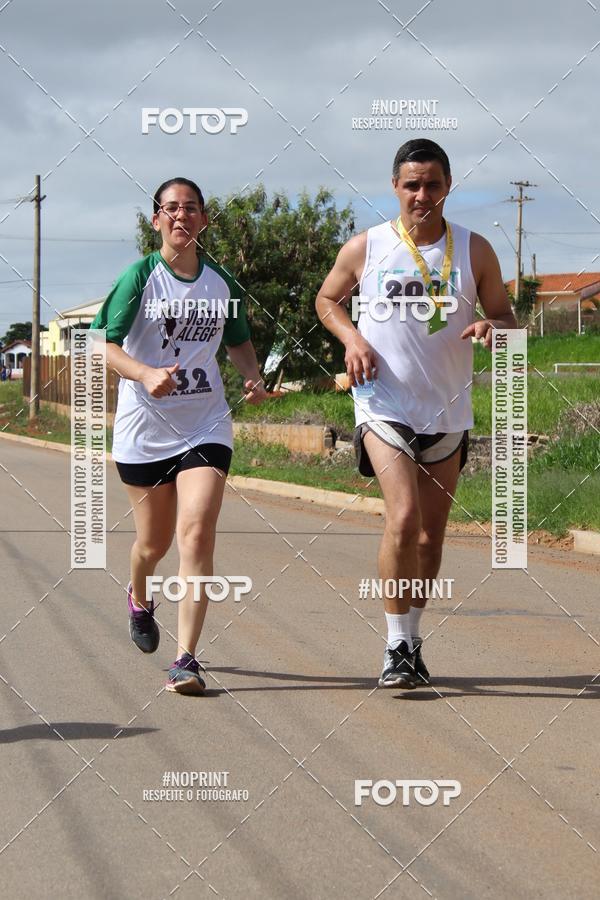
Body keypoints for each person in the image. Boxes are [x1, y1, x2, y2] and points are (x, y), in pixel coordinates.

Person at [316, 139, 517, 689]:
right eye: (411, 184)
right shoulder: (368, 247)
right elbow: (326, 299)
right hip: (383, 402)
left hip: (448, 410)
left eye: (432, 184)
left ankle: (413, 635)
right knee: (402, 518)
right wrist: (352, 338)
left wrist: (491, 329)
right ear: (395, 188)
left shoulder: (475, 251)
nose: (421, 195)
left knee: (430, 538)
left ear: (448, 187)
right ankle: (395, 645)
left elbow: (507, 316)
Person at [92, 177, 267, 695]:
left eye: (190, 208)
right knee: (154, 543)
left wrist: (251, 377)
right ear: (156, 221)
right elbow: (102, 343)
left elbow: (238, 342)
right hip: (144, 431)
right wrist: (144, 372)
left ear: (203, 220)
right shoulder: (140, 276)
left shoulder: (221, 283)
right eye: (170, 208)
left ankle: (186, 658)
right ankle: (139, 595)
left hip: (205, 424)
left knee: (196, 534)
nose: (180, 216)